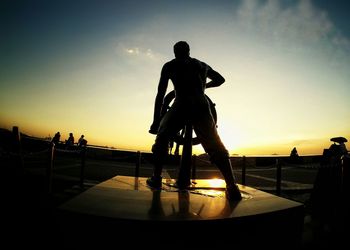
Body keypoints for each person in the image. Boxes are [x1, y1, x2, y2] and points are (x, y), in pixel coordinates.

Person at [147, 41, 241, 201]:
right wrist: (204, 87)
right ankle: (232, 186)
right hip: (201, 104)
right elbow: (220, 79)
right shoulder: (201, 65)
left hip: (181, 103)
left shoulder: (170, 65)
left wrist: (156, 121)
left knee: (162, 137)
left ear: (175, 52)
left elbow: (160, 94)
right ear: (189, 51)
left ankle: (156, 178)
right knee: (215, 144)